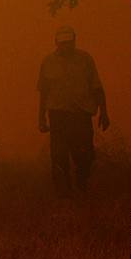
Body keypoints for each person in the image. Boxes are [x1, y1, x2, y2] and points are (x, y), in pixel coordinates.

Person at [37, 26, 110, 198]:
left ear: (74, 41)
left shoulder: (85, 60)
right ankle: (64, 193)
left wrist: (104, 112)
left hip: (81, 114)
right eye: (63, 43)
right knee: (58, 155)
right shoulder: (48, 62)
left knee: (85, 154)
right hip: (58, 115)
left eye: (69, 42)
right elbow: (43, 93)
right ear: (56, 43)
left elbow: (96, 87)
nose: (66, 46)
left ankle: (81, 185)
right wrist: (40, 118)